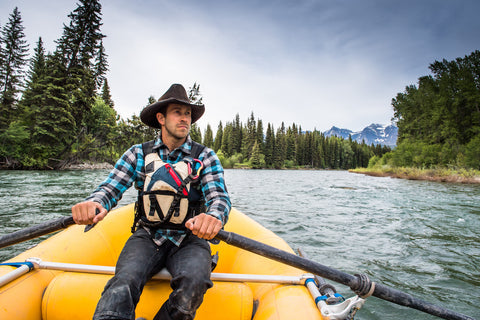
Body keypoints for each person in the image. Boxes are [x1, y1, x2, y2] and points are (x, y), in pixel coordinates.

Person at [71, 83, 231, 320]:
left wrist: (214, 217)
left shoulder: (205, 156)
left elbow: (219, 198)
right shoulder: (138, 154)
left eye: (188, 114)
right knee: (123, 282)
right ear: (161, 118)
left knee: (194, 282)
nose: (185, 119)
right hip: (148, 235)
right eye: (178, 112)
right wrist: (95, 203)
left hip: (189, 239)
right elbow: (110, 188)